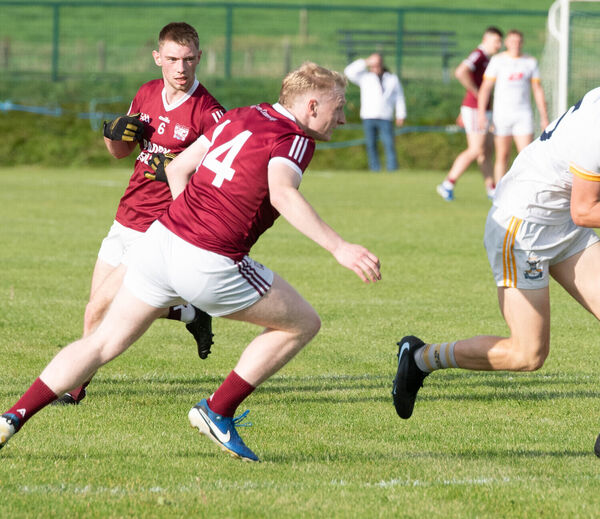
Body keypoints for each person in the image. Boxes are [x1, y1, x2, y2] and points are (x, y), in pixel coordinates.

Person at [0, 62, 382, 462]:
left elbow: (179, 168)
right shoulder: (294, 138)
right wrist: (340, 247)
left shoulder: (240, 115)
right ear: (313, 104)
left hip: (160, 240)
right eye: (339, 106)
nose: (343, 117)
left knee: (101, 343)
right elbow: (282, 194)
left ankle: (12, 416)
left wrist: (189, 224)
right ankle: (217, 410)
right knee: (303, 323)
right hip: (209, 258)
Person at [393, 37, 600, 462]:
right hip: (523, 227)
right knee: (528, 355)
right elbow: (586, 210)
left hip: (564, 224)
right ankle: (421, 357)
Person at [54, 22, 226, 406]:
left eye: (188, 60)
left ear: (199, 58)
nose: (181, 68)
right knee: (99, 302)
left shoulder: (210, 113)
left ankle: (75, 386)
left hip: (162, 225)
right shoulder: (146, 93)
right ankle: (188, 313)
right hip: (127, 214)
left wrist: (185, 181)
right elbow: (120, 153)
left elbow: (219, 178)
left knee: (98, 308)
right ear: (157, 58)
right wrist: (113, 135)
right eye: (172, 60)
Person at [436, 26, 504, 202]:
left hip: (483, 109)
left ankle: (491, 189)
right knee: (475, 150)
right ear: (485, 39)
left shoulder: (489, 59)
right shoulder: (478, 54)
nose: (499, 44)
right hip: (475, 109)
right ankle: (447, 184)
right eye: (496, 40)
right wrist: (477, 93)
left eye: (500, 41)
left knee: (485, 152)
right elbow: (460, 71)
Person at [477, 29, 550, 188]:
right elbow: (485, 88)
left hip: (523, 114)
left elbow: (537, 90)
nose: (515, 45)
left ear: (522, 43)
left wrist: (544, 116)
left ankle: (525, 189)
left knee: (526, 155)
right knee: (502, 156)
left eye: (518, 41)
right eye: (512, 41)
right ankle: (499, 192)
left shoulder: (529, 62)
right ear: (507, 43)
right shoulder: (497, 61)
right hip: (502, 116)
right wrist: (482, 113)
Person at [344, 53, 406, 172]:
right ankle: (374, 169)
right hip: (368, 116)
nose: (375, 67)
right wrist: (366, 62)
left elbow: (399, 98)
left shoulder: (392, 78)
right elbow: (348, 71)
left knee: (389, 144)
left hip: (385, 116)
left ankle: (392, 169)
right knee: (371, 145)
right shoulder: (365, 77)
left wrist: (400, 115)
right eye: (373, 65)